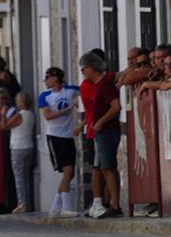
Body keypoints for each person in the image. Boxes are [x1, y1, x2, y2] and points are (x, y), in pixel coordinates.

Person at [80, 52, 123, 218]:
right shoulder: (100, 84)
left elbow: (115, 106)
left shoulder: (104, 84)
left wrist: (100, 122)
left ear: (92, 68)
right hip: (103, 132)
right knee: (106, 167)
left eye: (84, 68)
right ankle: (112, 203)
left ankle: (114, 204)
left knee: (107, 168)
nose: (83, 72)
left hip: (106, 131)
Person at [38, 67, 80, 218]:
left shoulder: (71, 91)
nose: (45, 80)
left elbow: (85, 93)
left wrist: (78, 101)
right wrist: (68, 109)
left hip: (68, 136)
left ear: (56, 78)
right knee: (67, 172)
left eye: (47, 77)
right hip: (54, 137)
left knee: (71, 173)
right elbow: (48, 116)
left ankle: (55, 208)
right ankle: (66, 208)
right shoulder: (44, 96)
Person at [0, 92, 35, 213]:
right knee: (26, 176)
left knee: (19, 177)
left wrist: (3, 115)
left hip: (18, 147)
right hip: (29, 146)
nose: (16, 102)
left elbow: (3, 127)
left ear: (22, 102)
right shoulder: (31, 114)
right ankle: (27, 203)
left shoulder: (20, 115)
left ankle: (22, 203)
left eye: (18, 100)